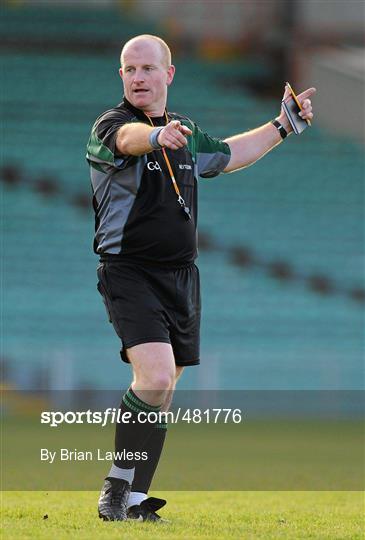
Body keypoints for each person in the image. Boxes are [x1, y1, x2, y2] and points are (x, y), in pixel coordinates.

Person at [86, 34, 315, 522]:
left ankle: (134, 500)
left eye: (148, 68)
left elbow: (229, 154)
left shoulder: (185, 131)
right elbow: (128, 140)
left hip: (182, 277)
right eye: (129, 69)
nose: (138, 77)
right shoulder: (110, 126)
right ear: (121, 77)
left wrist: (282, 125)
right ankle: (115, 487)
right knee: (155, 376)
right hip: (129, 271)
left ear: (168, 74)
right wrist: (153, 136)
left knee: (164, 392)